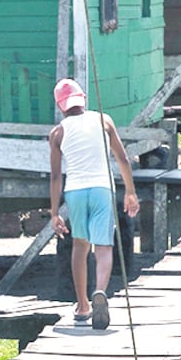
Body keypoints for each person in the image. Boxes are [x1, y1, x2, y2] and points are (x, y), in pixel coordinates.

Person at [49, 78, 140, 329]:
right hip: (101, 188)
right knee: (104, 247)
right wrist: (130, 192)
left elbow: (56, 176)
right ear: (83, 99)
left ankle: (82, 305)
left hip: (76, 192)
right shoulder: (104, 120)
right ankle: (100, 290)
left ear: (60, 106)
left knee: (80, 246)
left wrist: (55, 212)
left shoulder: (57, 133)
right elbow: (122, 158)